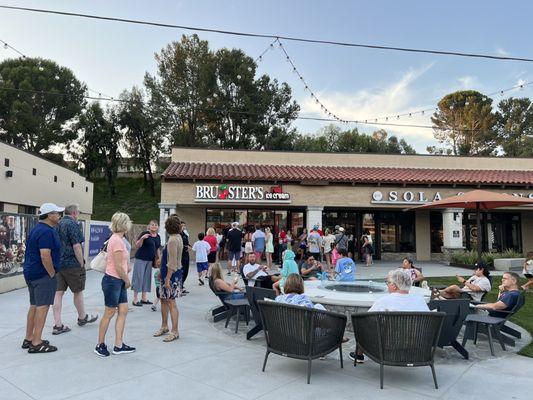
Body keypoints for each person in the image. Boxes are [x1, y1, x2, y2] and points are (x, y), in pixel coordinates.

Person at [349, 268, 430, 363]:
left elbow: (366, 319)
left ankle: (359, 354)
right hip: (416, 346)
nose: (387, 285)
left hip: (387, 347)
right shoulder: (419, 300)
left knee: (363, 325)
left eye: (388, 283)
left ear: (394, 286)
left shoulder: (384, 301)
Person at [23, 203, 64, 353]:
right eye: (57, 213)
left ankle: (29, 338)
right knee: (43, 307)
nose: (60, 216)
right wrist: (52, 273)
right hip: (43, 275)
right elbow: (45, 254)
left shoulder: (37, 229)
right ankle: (37, 342)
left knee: (34, 305)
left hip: (31, 273)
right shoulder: (47, 232)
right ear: (49, 215)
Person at [95, 212, 135, 357]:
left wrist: (126, 269)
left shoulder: (118, 239)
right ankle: (100, 344)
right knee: (109, 312)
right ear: (125, 224)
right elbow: (117, 266)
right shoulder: (117, 240)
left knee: (123, 310)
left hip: (117, 280)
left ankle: (118, 344)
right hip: (114, 280)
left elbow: (121, 263)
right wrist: (127, 280)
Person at [53, 204, 97, 335]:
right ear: (74, 213)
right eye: (78, 212)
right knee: (77, 291)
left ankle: (57, 324)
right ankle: (82, 317)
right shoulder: (72, 224)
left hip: (58, 263)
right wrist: (81, 262)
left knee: (58, 293)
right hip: (72, 263)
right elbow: (77, 245)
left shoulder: (57, 224)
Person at [153, 215, 183, 342]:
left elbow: (172, 262)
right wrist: (161, 272)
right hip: (169, 274)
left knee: (171, 302)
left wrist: (167, 279)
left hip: (171, 276)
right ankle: (164, 326)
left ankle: (174, 331)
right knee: (163, 300)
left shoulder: (172, 240)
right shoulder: (177, 237)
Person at [132, 220, 161, 307]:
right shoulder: (145, 233)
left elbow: (157, 249)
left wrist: (159, 259)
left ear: (158, 227)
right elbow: (137, 245)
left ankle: (144, 298)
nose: (154, 226)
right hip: (140, 258)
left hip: (150, 260)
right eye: (152, 225)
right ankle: (135, 299)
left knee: (146, 279)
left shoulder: (158, 236)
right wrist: (142, 238)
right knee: (138, 278)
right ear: (149, 226)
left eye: (156, 225)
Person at [180, 221, 191, 293]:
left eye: (184, 225)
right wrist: (185, 246)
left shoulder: (184, 234)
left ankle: (181, 285)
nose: (183, 227)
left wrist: (189, 246)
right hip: (181, 255)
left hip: (186, 254)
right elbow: (179, 244)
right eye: (182, 225)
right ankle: (179, 286)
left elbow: (187, 242)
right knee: (182, 270)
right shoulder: (178, 235)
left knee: (186, 271)